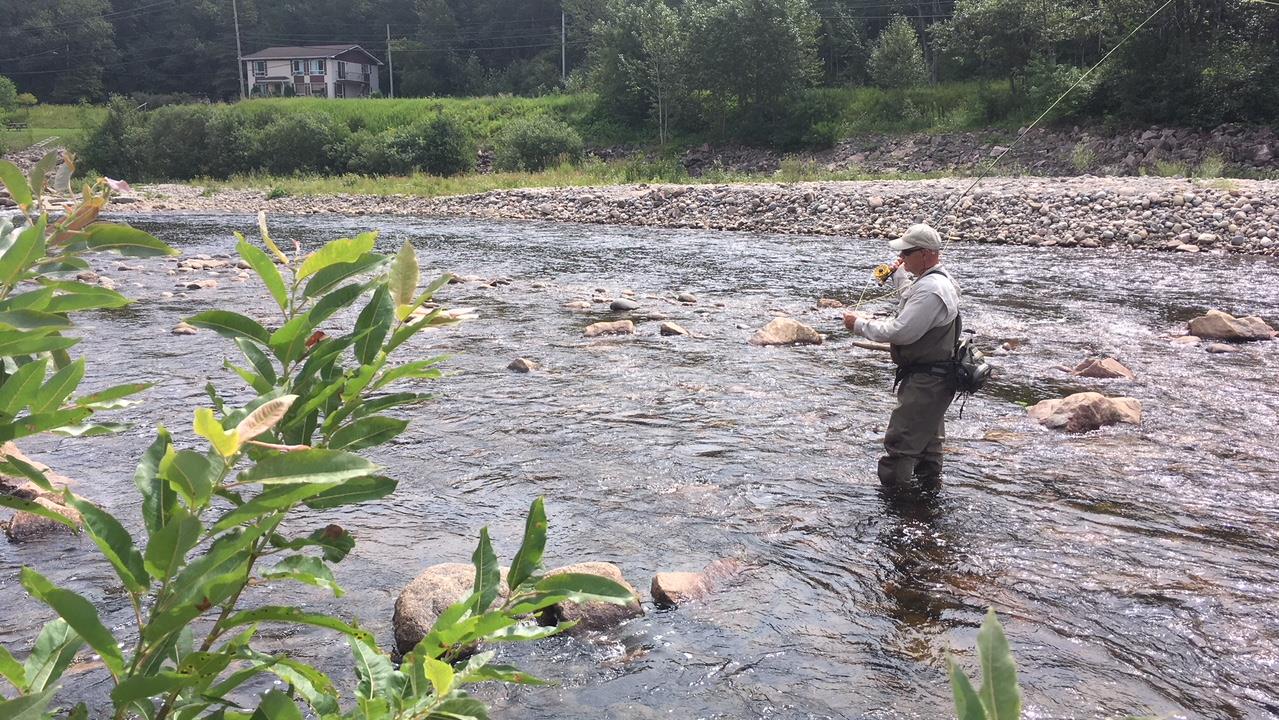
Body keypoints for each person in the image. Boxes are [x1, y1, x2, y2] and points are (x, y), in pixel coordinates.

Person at [843, 223, 961, 492]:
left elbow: (902, 332)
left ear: (926, 254)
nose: (902, 257)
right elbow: (912, 295)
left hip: (927, 382)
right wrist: (897, 274)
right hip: (934, 379)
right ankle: (926, 506)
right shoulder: (936, 280)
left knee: (900, 444)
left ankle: (896, 509)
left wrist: (858, 324)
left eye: (907, 253)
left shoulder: (931, 290)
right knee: (929, 446)